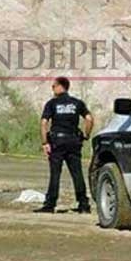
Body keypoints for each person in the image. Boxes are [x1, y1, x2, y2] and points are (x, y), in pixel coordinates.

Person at [34, 76, 94, 214]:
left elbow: (44, 123)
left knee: (55, 174)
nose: (52, 88)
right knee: (77, 173)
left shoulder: (52, 103)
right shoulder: (77, 103)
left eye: (53, 86)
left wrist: (44, 142)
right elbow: (89, 119)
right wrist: (86, 135)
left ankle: (50, 205)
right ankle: (83, 204)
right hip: (74, 141)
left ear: (61, 86)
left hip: (57, 142)